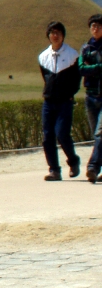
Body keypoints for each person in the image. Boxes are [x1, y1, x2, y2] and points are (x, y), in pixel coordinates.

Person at [39, 21, 81, 182]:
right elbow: (46, 77)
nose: (55, 36)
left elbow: (77, 79)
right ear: (48, 36)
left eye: (58, 32)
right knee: (47, 136)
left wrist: (70, 94)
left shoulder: (72, 55)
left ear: (63, 35)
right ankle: (54, 170)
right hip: (49, 101)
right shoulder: (43, 57)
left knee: (62, 134)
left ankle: (73, 161)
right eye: (52, 33)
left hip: (65, 101)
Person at [79, 14, 102, 183]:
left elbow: (88, 68)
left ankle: (92, 167)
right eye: (93, 26)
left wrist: (91, 67)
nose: (96, 29)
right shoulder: (85, 48)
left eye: (99, 26)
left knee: (101, 133)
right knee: (97, 134)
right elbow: (81, 69)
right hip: (90, 95)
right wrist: (98, 67)